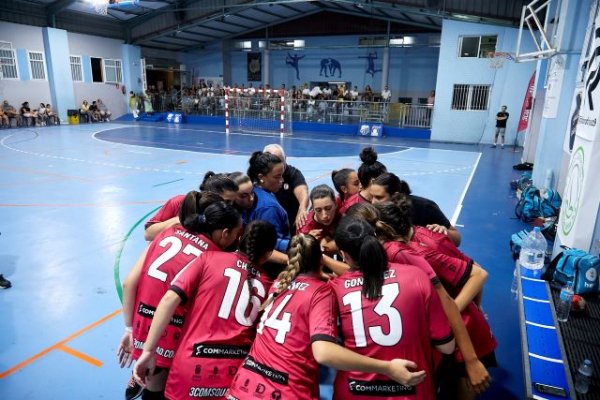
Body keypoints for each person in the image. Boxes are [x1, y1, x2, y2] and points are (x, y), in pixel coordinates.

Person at [226, 234, 428, 400]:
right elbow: (323, 353)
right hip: (286, 391)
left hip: (244, 384)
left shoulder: (279, 281)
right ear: (319, 260)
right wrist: (386, 368)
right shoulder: (322, 292)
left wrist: (319, 272)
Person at [133, 220, 277, 400]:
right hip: (231, 373)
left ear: (240, 238)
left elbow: (170, 299)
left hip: (191, 364)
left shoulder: (209, 258)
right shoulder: (268, 285)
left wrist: (148, 350)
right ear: (268, 254)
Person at [118, 195, 242, 400]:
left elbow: (129, 283)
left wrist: (129, 328)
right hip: (173, 332)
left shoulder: (168, 232)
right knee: (162, 387)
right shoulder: (213, 257)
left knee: (150, 378)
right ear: (224, 233)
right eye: (236, 235)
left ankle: (141, 378)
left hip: (143, 325)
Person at [376, 197, 496, 400]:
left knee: (460, 389)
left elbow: (479, 274)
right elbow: (470, 265)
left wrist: (451, 312)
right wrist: (478, 306)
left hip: (463, 332)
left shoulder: (417, 252)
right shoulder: (425, 233)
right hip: (463, 324)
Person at [330, 217, 456, 399]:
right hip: (412, 388)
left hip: (355, 390)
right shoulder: (417, 277)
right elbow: (447, 347)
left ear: (344, 255)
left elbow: (323, 350)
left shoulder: (334, 289)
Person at [369, 172, 462, 246]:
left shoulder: (425, 207)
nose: (373, 202)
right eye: (371, 197)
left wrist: (444, 231)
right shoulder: (375, 212)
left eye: (379, 197)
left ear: (395, 196)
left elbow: (457, 239)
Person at [143, 172, 239, 241]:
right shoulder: (180, 202)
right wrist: (179, 221)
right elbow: (148, 234)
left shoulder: (228, 217)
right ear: (210, 195)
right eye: (227, 201)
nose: (230, 206)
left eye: (232, 202)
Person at [245, 151, 290, 254]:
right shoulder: (269, 208)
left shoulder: (255, 191)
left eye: (282, 175)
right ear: (261, 177)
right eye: (277, 177)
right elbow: (272, 244)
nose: (282, 180)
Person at [263, 144, 309, 232]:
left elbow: (303, 193)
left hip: (290, 225)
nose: (280, 166)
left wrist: (302, 209)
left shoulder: (293, 174)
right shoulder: (261, 178)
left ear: (285, 158)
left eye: (281, 161)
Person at [339, 147, 387, 215]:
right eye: (383, 179)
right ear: (373, 181)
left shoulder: (383, 199)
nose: (386, 182)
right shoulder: (352, 206)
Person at [297, 184, 340, 255]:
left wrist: (327, 238)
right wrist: (308, 242)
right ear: (313, 209)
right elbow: (300, 256)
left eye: (328, 208)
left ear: (335, 204)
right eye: (318, 210)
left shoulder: (340, 202)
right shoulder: (304, 229)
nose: (325, 215)